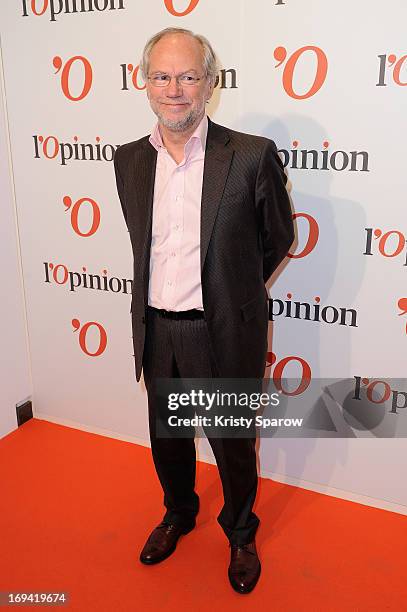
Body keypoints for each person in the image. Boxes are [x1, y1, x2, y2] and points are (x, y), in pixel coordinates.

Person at [113, 26, 294, 594]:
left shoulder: (248, 155)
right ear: (145, 83)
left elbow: (278, 238)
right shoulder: (128, 162)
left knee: (233, 444)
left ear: (210, 84)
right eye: (162, 76)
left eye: (188, 76)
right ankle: (179, 514)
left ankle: (241, 532)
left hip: (221, 329)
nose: (174, 89)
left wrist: (231, 291)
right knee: (167, 438)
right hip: (157, 327)